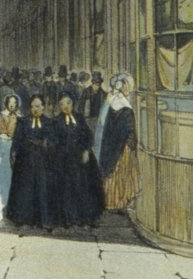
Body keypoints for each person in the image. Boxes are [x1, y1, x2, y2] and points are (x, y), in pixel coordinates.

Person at [53, 87, 104, 228]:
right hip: (65, 159)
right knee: (67, 188)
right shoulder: (56, 121)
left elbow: (88, 135)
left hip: (81, 157)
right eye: (62, 104)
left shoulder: (79, 118)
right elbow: (54, 141)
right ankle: (68, 218)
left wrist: (86, 150)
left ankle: (87, 217)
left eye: (68, 103)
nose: (65, 106)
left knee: (85, 186)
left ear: (73, 103)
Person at [6, 94, 57, 231]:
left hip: (42, 161)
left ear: (43, 107)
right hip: (26, 160)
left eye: (38, 106)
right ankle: (23, 218)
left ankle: (44, 220)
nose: (35, 109)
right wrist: (15, 152)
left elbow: (52, 140)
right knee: (25, 189)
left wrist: (47, 143)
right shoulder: (23, 122)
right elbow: (17, 140)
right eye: (33, 106)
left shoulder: (48, 122)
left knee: (43, 188)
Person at [97, 73, 139, 210]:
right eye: (126, 85)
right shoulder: (122, 104)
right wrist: (131, 141)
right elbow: (128, 127)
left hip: (111, 143)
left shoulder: (111, 99)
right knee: (120, 172)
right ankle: (118, 201)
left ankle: (111, 201)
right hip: (122, 144)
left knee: (114, 171)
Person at [0, 92, 21, 207]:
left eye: (14, 103)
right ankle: (1, 200)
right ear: (6, 103)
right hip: (2, 146)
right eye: (10, 102)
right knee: (3, 172)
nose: (12, 104)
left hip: (13, 145)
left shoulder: (19, 117)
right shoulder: (1, 116)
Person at [80, 71, 107, 135]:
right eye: (95, 85)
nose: (97, 87)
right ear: (92, 83)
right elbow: (81, 106)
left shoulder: (103, 93)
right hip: (87, 118)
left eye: (98, 85)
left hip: (98, 118)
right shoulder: (86, 92)